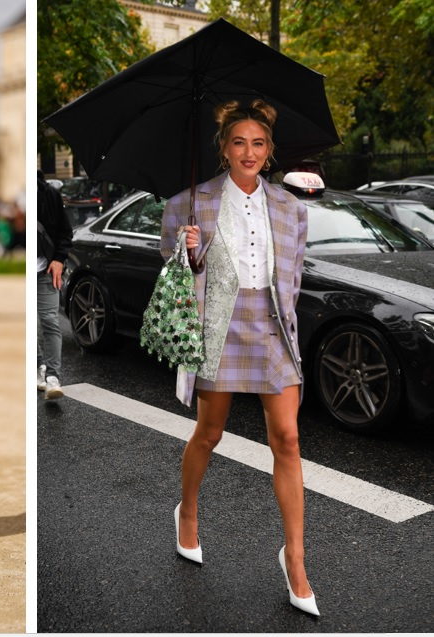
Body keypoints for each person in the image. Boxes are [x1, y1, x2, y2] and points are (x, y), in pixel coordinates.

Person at [162, 99, 316, 616]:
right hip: (219, 325)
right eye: (238, 142)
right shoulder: (191, 203)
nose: (248, 151)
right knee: (210, 432)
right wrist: (188, 251)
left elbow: (292, 280)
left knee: (288, 439)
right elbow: (176, 271)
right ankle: (188, 511)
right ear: (223, 149)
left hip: (270, 328)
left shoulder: (293, 209)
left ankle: (294, 557)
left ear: (269, 152)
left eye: (258, 143)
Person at [37, 170, 72, 400]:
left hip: (45, 270)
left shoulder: (49, 194)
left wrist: (59, 258)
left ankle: (52, 377)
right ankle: (37, 366)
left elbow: (64, 231)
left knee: (50, 321)